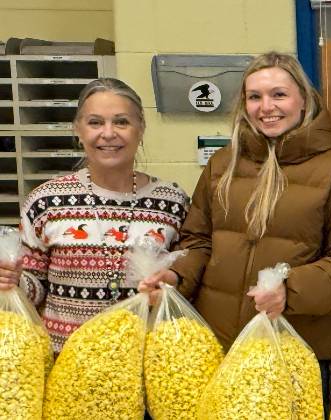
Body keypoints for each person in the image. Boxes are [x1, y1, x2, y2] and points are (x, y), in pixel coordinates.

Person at [141, 53, 331, 368]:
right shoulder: (223, 164)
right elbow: (198, 241)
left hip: (293, 348)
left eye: (279, 94)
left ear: (303, 101)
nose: (266, 107)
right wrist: (175, 275)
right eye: (255, 97)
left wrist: (290, 290)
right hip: (218, 345)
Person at [0, 78, 189, 351]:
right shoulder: (46, 201)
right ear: (78, 130)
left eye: (122, 122)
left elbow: (186, 280)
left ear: (141, 129)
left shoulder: (172, 201)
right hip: (65, 362)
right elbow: (34, 287)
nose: (108, 133)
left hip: (141, 364)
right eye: (95, 122)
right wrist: (13, 280)